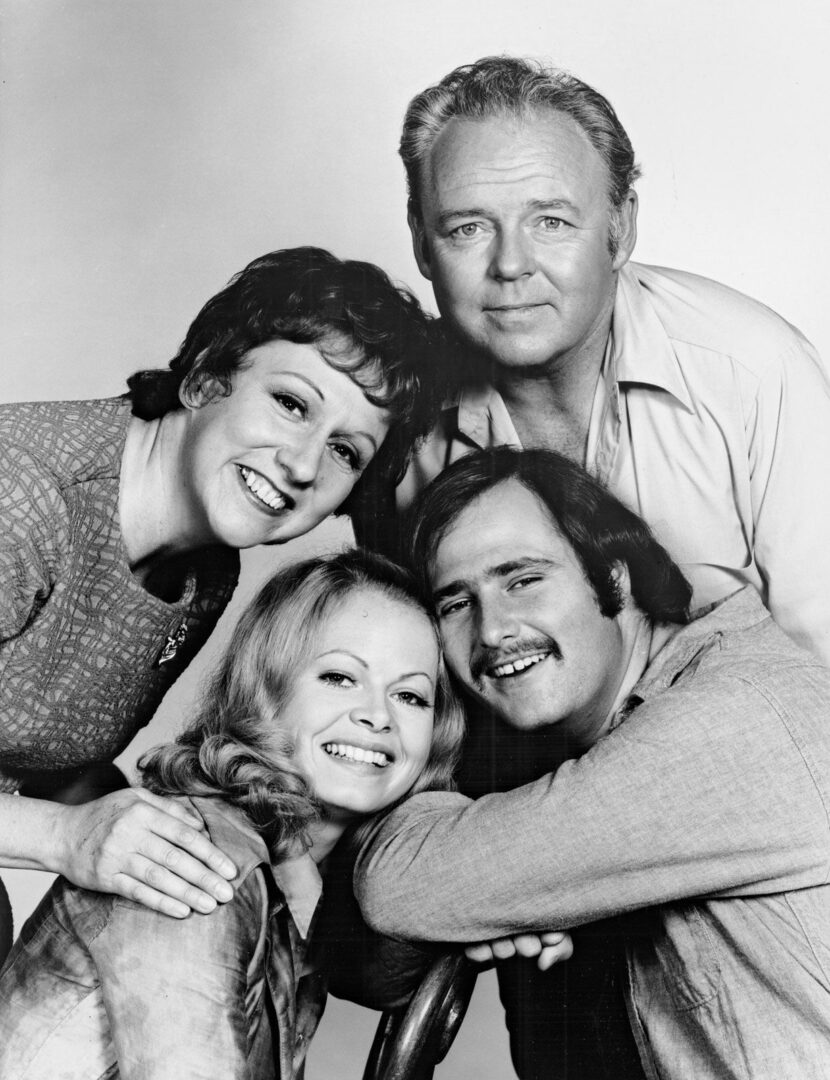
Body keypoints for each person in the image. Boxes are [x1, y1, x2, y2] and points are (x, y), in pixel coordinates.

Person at [0, 246, 442, 958]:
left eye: (345, 452)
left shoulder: (206, 571)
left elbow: (53, 757)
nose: (303, 465)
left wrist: (266, 853)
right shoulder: (20, 497)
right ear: (205, 378)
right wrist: (63, 837)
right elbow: (66, 820)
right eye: (291, 404)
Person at [355, 448, 830, 1080]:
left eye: (522, 580)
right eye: (456, 604)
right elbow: (373, 965)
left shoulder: (735, 713)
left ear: (615, 576)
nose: (492, 630)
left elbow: (399, 883)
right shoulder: (615, 734)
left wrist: (447, 843)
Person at [351, 55, 830, 667]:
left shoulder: (754, 373)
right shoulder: (390, 417)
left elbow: (822, 670)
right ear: (421, 241)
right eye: (468, 228)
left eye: (550, 221)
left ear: (620, 227)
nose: (511, 265)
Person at [0, 548, 464, 1080]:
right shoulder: (199, 857)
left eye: (410, 696)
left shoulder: (294, 882)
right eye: (340, 677)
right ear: (267, 690)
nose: (378, 716)